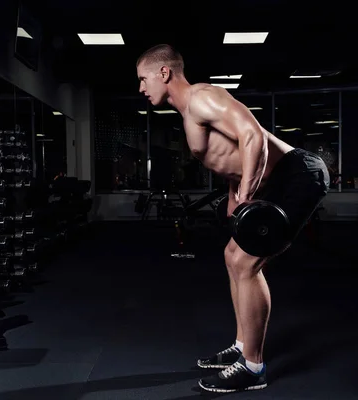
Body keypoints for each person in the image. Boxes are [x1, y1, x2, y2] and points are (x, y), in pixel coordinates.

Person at [136, 44, 330, 393]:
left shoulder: (201, 98)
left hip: (298, 174)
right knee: (232, 256)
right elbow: (231, 158)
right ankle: (242, 348)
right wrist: (232, 197)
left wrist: (246, 195)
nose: (141, 88)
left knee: (246, 264)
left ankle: (254, 368)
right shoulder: (189, 112)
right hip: (276, 179)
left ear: (164, 73)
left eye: (143, 79)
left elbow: (251, 135)